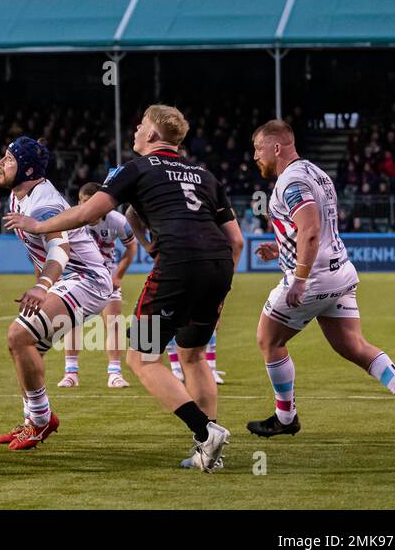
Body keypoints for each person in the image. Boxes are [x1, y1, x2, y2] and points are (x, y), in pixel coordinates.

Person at [19, 105, 242, 473]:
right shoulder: (204, 174)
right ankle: (207, 454)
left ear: (153, 135)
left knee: (142, 357)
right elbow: (236, 240)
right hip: (218, 267)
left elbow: (89, 212)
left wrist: (39, 226)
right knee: (194, 356)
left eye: (140, 125)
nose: (136, 130)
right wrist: (220, 287)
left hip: (178, 265)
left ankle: (206, 432)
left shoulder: (136, 169)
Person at [247, 120, 395, 442]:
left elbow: (311, 229)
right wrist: (280, 248)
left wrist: (300, 279)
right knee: (352, 345)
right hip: (340, 271)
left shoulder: (290, 181)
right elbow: (313, 229)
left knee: (269, 340)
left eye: (258, 149)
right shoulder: (317, 173)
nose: (255, 157)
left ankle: (285, 417)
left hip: (313, 278)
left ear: (276, 148)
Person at [0, 138, 112, 452]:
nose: (0, 163)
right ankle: (34, 421)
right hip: (69, 279)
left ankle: (41, 421)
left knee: (19, 336)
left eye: (8, 159)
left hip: (85, 279)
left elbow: (60, 249)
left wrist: (42, 287)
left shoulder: (41, 202)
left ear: (27, 169)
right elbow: (41, 253)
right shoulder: (20, 197)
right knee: (23, 346)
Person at [58, 182, 136, 390]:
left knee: (114, 323)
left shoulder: (117, 221)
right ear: (79, 202)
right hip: (78, 278)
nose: (90, 207)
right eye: (85, 202)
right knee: (72, 323)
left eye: (94, 202)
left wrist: (118, 275)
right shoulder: (72, 218)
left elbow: (131, 246)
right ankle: (71, 373)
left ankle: (114, 373)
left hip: (106, 278)